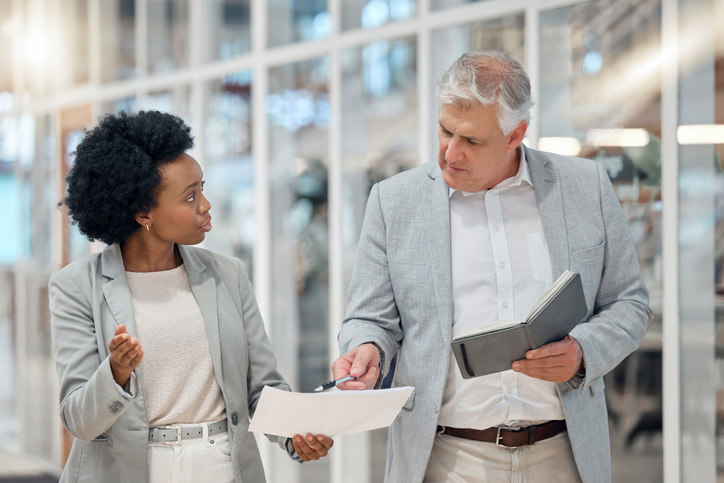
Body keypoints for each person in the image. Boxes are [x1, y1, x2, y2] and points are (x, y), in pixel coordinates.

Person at [331, 50, 652, 482]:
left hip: (563, 456)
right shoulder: (394, 202)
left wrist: (582, 353)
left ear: (514, 135)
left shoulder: (584, 187)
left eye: (472, 141)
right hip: (446, 459)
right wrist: (366, 346)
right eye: (445, 131)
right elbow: (369, 318)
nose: (451, 153)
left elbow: (629, 303)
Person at [49, 111, 333, 483]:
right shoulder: (76, 287)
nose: (205, 205)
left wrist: (296, 435)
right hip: (130, 470)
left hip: (221, 466)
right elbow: (78, 421)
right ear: (142, 212)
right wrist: (116, 373)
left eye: (203, 188)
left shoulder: (227, 274)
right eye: (190, 196)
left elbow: (262, 388)